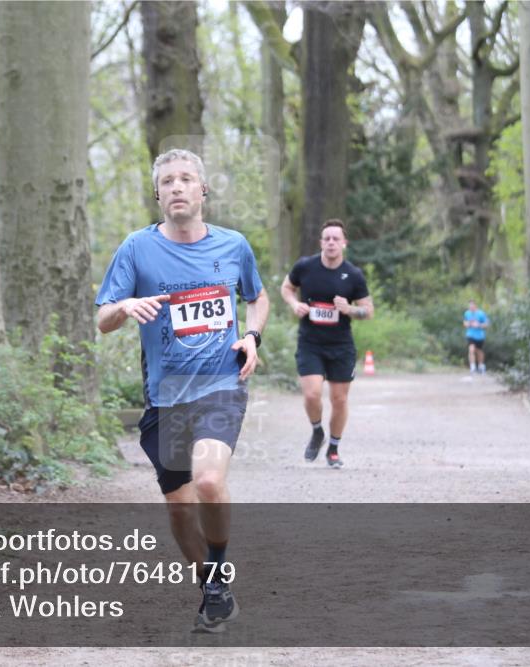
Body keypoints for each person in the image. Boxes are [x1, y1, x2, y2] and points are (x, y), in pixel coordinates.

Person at [95, 148, 269, 633]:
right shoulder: (136, 249)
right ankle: (215, 587)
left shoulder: (233, 246)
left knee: (209, 482)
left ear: (202, 190)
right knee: (179, 505)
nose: (176, 186)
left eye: (186, 178)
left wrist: (252, 336)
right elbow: (103, 318)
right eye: (167, 180)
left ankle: (216, 579)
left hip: (221, 385)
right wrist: (126, 306)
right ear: (157, 193)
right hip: (164, 396)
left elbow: (257, 297)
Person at [280, 220, 373, 469]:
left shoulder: (353, 275)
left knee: (339, 400)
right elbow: (287, 288)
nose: (331, 242)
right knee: (311, 394)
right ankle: (317, 431)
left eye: (336, 238)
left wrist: (350, 309)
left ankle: (333, 448)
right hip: (310, 342)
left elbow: (368, 311)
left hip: (341, 345)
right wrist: (294, 304)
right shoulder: (305, 266)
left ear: (344, 243)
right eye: (327, 238)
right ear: (321, 242)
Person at [464, 300, 489, 374]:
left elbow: (486, 324)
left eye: (472, 305)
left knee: (479, 351)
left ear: (475, 306)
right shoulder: (467, 313)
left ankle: (481, 366)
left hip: (479, 336)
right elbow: (465, 322)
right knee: (471, 349)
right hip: (470, 335)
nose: (470, 307)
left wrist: (479, 325)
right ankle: (472, 367)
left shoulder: (481, 314)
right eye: (469, 306)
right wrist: (468, 324)